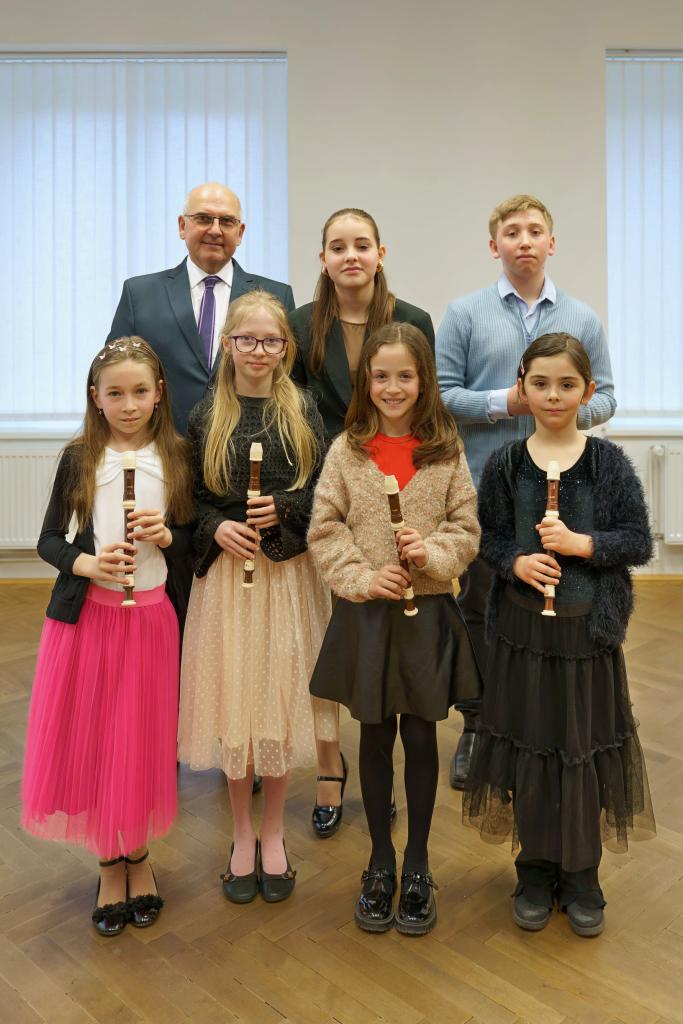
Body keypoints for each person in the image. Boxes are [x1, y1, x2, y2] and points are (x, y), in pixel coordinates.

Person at [462, 333, 655, 938]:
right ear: (522, 388)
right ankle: (535, 869)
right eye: (540, 383)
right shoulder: (506, 463)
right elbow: (488, 538)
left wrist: (582, 544)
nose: (553, 395)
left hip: (585, 635)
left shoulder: (607, 463)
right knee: (532, 745)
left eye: (567, 384)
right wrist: (517, 562)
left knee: (580, 749)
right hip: (524, 634)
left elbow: (638, 540)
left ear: (587, 392)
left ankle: (582, 874)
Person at [435, 194, 617, 789]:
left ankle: (548, 726)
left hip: (568, 492)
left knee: (560, 609)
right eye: (511, 232)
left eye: (535, 230)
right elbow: (440, 396)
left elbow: (608, 396)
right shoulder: (464, 314)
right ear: (495, 246)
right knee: (481, 607)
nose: (524, 240)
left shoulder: (583, 319)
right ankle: (480, 726)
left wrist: (560, 409)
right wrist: (508, 403)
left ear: (551, 243)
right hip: (486, 489)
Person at [307, 323, 481, 935]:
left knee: (422, 738)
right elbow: (325, 527)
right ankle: (380, 861)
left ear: (423, 380)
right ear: (366, 383)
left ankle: (419, 863)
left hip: (425, 614)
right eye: (380, 376)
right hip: (368, 616)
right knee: (375, 736)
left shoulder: (445, 449)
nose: (392, 387)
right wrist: (360, 575)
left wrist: (431, 553)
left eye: (405, 376)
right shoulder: (347, 450)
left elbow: (466, 527)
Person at [22, 337, 194, 936]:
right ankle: (107, 864)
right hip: (91, 622)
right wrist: (89, 563)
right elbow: (48, 539)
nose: (128, 404)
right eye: (115, 393)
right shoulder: (81, 458)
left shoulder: (176, 455)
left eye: (140, 392)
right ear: (95, 398)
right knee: (99, 739)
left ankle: (138, 857)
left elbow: (191, 541)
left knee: (141, 738)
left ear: (159, 394)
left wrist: (167, 537)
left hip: (151, 620)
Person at [177, 291, 334, 905]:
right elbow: (190, 501)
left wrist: (285, 508)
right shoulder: (205, 414)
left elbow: (325, 491)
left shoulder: (303, 409)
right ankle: (241, 832)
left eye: (271, 341)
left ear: (286, 348)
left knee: (277, 701)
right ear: (228, 344)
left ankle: (273, 833)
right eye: (247, 340)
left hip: (285, 579)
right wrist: (217, 526)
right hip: (227, 580)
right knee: (236, 700)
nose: (259, 351)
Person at [290, 207, 435, 838]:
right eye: (337, 246)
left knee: (389, 638)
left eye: (361, 245)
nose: (351, 256)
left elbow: (424, 405)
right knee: (327, 635)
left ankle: (385, 771)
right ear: (323, 258)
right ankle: (330, 765)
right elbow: (293, 412)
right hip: (324, 490)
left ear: (380, 252)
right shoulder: (301, 324)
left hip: (395, 490)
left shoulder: (414, 320)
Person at [108, 182, 295, 435]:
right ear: (182, 226)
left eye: (227, 221)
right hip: (164, 444)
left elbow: (288, 379)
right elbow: (113, 374)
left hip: (247, 444)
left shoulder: (276, 296)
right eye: (204, 219)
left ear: (240, 233)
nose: (215, 230)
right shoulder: (140, 293)